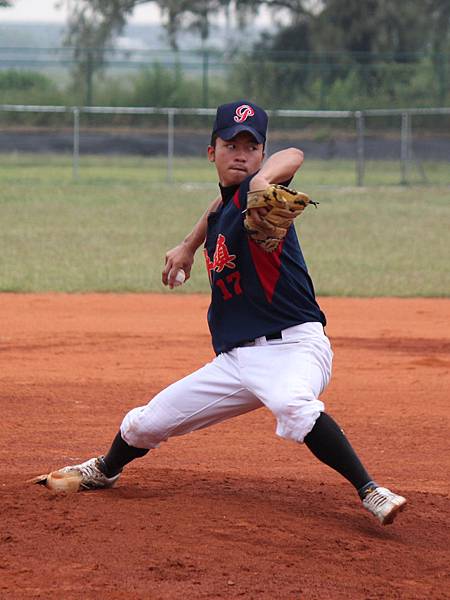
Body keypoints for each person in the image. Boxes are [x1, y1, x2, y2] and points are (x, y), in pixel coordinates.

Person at [51, 100, 406, 526]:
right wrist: (187, 246)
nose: (240, 153)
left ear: (260, 153)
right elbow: (216, 210)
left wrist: (265, 180)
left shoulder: (262, 192)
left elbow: (293, 155)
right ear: (211, 152)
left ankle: (371, 490)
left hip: (295, 345)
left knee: (294, 406)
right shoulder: (225, 207)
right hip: (236, 361)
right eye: (230, 144)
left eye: (250, 146)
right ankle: (105, 469)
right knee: (147, 423)